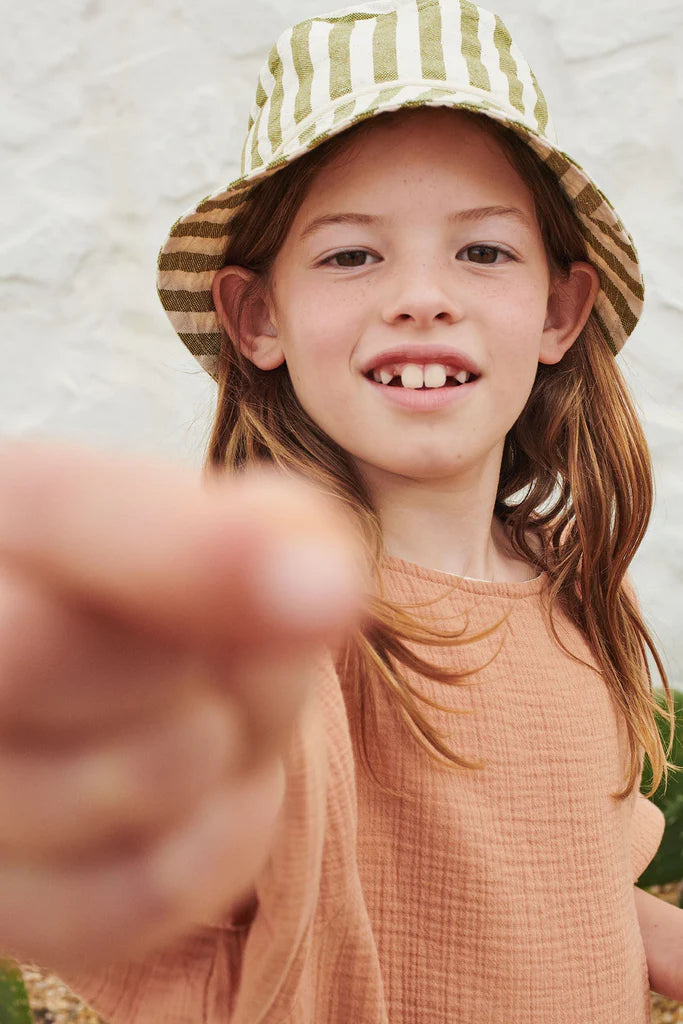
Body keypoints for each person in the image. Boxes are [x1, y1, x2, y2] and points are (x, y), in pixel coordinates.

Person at [0, 0, 680, 1020]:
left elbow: (576, 889)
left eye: (482, 252)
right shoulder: (275, 646)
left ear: (555, 310)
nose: (419, 295)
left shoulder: (566, 587)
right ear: (257, 316)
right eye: (351, 255)